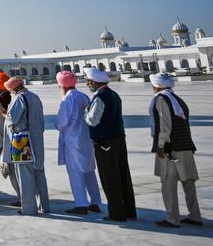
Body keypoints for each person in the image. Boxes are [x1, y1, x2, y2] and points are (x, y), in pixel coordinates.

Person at [149, 72, 202, 228]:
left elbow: (164, 123)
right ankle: (195, 215)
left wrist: (160, 145)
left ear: (157, 86)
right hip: (185, 146)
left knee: (168, 183)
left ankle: (172, 218)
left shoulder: (161, 99)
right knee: (188, 183)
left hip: (170, 149)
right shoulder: (178, 99)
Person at [84, 67, 136, 222]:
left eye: (88, 81)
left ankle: (116, 213)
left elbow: (93, 121)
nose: (87, 84)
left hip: (105, 142)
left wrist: (86, 112)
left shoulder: (100, 97)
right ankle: (129, 211)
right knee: (122, 175)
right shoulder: (114, 94)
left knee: (110, 177)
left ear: (94, 82)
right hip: (119, 139)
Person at [54, 70, 101, 215]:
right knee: (89, 172)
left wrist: (57, 124)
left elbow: (61, 122)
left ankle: (81, 204)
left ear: (63, 86)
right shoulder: (83, 96)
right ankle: (96, 202)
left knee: (76, 173)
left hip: (73, 141)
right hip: (86, 140)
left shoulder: (67, 99)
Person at [3, 76, 50, 216]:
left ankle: (29, 208)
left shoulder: (18, 99)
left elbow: (12, 119)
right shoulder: (35, 97)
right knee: (39, 172)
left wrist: (5, 115)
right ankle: (45, 205)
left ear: (13, 89)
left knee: (25, 175)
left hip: (22, 141)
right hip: (37, 139)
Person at [0, 72, 21, 206]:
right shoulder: (16, 96)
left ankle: (21, 196)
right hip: (22, 138)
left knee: (11, 170)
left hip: (7, 140)